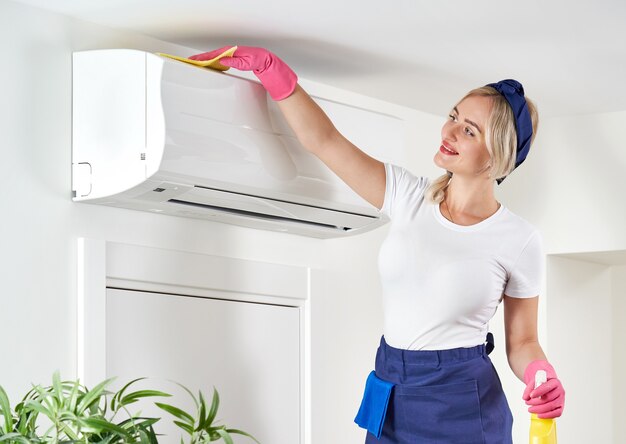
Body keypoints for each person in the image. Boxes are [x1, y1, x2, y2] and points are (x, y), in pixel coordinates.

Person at [189, 46, 566, 443]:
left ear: (496, 158)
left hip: (461, 406)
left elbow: (522, 342)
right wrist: (273, 71)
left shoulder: (518, 239)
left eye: (469, 130)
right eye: (453, 117)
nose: (449, 132)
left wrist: (542, 374)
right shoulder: (408, 197)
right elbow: (325, 141)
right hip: (390, 392)